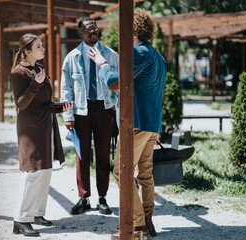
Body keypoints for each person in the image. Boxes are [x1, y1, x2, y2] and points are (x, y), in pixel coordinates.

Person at [87, 8, 167, 239]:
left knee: (121, 172)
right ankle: (148, 222)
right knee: (145, 174)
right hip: (151, 125)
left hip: (137, 123)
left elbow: (114, 81)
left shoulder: (139, 53)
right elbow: (158, 95)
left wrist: (102, 64)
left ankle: (138, 225)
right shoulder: (157, 56)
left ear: (132, 30)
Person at [10, 33, 73, 237]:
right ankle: (21, 218)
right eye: (39, 46)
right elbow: (21, 103)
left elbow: (43, 101)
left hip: (46, 124)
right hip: (30, 129)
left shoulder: (39, 68)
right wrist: (36, 83)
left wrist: (61, 106)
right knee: (33, 171)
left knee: (45, 169)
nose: (43, 49)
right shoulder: (18, 73)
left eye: (42, 45)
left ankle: (37, 213)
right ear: (27, 50)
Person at [61, 17, 119, 215]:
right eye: (89, 29)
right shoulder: (72, 57)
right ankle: (83, 197)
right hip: (81, 111)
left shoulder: (111, 55)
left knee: (103, 154)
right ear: (81, 33)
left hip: (104, 109)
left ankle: (102, 198)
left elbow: (117, 85)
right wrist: (68, 115)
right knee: (82, 155)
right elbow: (66, 89)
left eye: (95, 28)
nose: (93, 31)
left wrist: (115, 108)